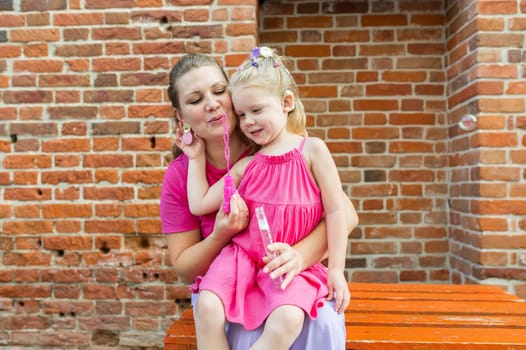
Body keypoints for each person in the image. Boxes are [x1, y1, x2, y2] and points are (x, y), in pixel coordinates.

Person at [161, 51, 359, 350]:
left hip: (281, 273)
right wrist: (221, 233)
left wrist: (301, 256)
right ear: (181, 116)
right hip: (231, 275)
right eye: (195, 99)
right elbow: (186, 267)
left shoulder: (275, 143)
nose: (213, 103)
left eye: (218, 91)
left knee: (312, 319)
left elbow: (345, 213)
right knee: (223, 316)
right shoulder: (186, 174)